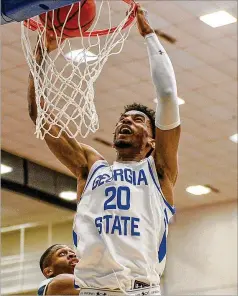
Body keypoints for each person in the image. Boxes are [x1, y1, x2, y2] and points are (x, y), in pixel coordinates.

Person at [28, 5, 181, 296]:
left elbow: (168, 96)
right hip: (92, 289)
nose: (126, 120)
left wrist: (150, 37)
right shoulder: (90, 166)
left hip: (141, 289)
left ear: (152, 141)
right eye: (124, 118)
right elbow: (41, 116)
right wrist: (41, 54)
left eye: (138, 120)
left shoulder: (158, 171)